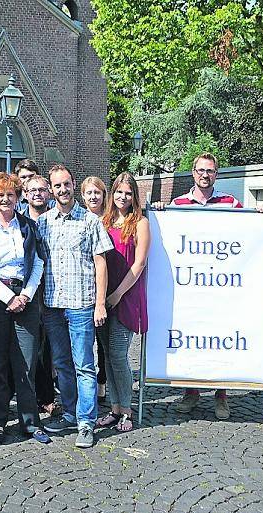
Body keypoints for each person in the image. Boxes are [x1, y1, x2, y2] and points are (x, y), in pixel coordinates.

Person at [0, 172, 51, 445]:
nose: (5, 199)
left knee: (26, 363)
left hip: (26, 299)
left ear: (18, 198)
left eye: (11, 195)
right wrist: (8, 297)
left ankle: (30, 421)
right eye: (0, 195)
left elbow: (38, 262)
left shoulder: (28, 226)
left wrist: (26, 295)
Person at [39, 165, 113, 449]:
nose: (62, 190)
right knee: (61, 363)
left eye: (67, 184)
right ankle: (69, 412)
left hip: (82, 304)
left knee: (84, 365)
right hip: (53, 304)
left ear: (74, 185)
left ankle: (86, 421)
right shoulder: (43, 222)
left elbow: (100, 264)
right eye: (57, 186)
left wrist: (99, 305)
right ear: (51, 189)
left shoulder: (90, 221)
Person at [170, 152, 243, 420]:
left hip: (221, 286)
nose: (205, 175)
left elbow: (246, 234)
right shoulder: (177, 204)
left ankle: (221, 396)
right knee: (191, 340)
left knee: (220, 340)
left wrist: (258, 215)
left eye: (210, 171)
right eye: (201, 170)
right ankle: (191, 393)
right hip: (189, 287)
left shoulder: (231, 203)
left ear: (216, 174)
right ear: (193, 172)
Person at [97, 173, 150, 433]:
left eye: (128, 193)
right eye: (119, 192)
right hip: (102, 297)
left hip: (125, 296)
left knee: (119, 355)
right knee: (106, 354)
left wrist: (117, 294)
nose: (123, 197)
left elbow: (139, 264)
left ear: (134, 197)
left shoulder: (139, 222)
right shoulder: (104, 221)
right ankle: (114, 408)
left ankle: (127, 410)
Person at [23, 175, 57, 415]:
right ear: (25, 194)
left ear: (49, 194)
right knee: (26, 346)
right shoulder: (19, 221)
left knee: (46, 348)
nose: (37, 194)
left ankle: (45, 396)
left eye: (42, 190)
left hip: (50, 290)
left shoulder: (54, 221)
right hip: (24, 292)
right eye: (32, 190)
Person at [80, 176, 109, 400]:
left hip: (108, 289)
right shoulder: (80, 219)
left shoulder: (112, 219)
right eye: (89, 193)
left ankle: (102, 381)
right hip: (84, 291)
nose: (93, 197)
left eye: (97, 192)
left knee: (104, 343)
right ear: (83, 196)